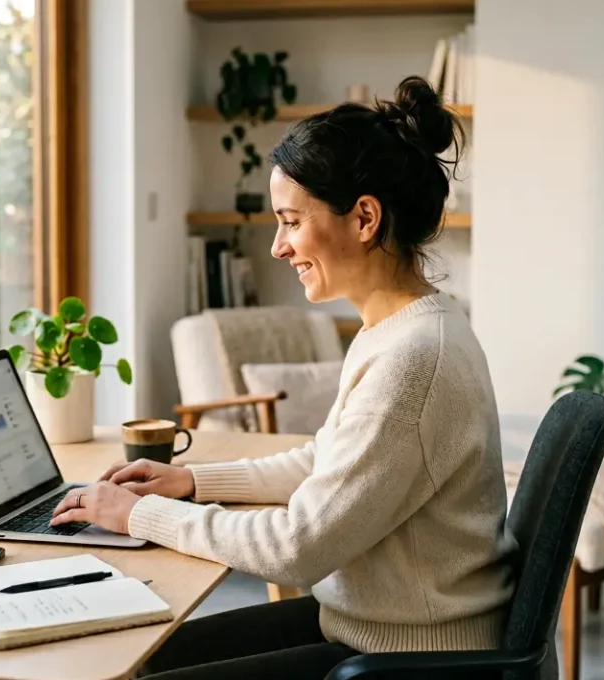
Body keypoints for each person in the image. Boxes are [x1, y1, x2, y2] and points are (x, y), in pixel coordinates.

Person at [49, 75, 513, 679]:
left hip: (410, 658)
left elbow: (297, 548)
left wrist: (136, 516)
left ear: (365, 218)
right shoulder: (407, 326)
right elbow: (330, 460)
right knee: (138, 656)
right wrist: (190, 482)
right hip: (377, 627)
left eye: (291, 222)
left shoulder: (414, 358)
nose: (277, 247)